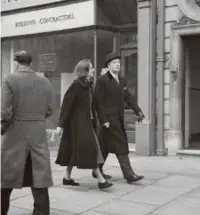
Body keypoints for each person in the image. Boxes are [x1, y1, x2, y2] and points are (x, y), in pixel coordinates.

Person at [1, 50, 53, 215]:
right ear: (30, 63)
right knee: (39, 175)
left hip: (16, 132)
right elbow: (49, 109)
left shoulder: (9, 79)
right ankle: (41, 212)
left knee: (7, 175)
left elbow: (5, 112)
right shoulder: (44, 81)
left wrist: (3, 128)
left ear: (16, 62)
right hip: (38, 132)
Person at [55, 59, 113, 190]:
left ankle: (67, 178)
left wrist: (103, 120)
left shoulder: (89, 85)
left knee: (73, 151)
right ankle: (101, 179)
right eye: (91, 68)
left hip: (89, 124)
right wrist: (60, 125)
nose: (93, 70)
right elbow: (66, 106)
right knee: (92, 149)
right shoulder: (76, 85)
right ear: (85, 71)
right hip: (78, 125)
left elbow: (97, 105)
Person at [93, 52, 145, 183]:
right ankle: (129, 175)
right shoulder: (102, 80)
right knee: (121, 144)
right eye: (114, 63)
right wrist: (103, 120)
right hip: (109, 120)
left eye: (119, 63)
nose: (117, 65)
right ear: (109, 66)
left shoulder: (122, 80)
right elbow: (98, 102)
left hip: (118, 118)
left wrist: (138, 111)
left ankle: (97, 170)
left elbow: (128, 98)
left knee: (104, 147)